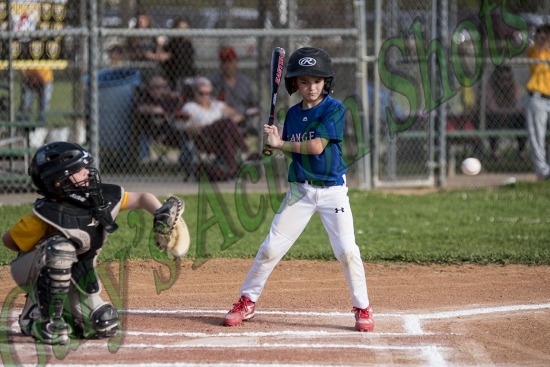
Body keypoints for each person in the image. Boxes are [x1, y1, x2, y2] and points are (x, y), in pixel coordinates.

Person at [222, 47, 374, 332]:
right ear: (295, 84)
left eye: (316, 81)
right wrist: (272, 145)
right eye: (304, 82)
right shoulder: (292, 114)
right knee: (270, 248)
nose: (311, 87)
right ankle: (247, 301)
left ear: (326, 82)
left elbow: (316, 147)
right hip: (300, 192)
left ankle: (362, 307)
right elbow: (294, 152)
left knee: (347, 251)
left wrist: (281, 145)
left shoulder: (334, 109)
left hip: (332, 192)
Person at [1, 141, 184, 345]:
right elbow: (9, 241)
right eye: (80, 170)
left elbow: (141, 198)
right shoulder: (46, 214)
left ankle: (64, 314)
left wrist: (160, 213)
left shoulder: (98, 198)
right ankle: (42, 318)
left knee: (103, 323)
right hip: (35, 271)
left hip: (79, 274)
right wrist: (43, 251)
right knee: (60, 249)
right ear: (58, 181)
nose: (88, 172)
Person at [181, 76, 249, 180]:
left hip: (221, 136)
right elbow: (188, 128)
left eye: (207, 93)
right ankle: (245, 151)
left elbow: (238, 115)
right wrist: (216, 124)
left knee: (227, 130)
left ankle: (231, 169)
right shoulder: (190, 106)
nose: (205, 96)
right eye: (201, 93)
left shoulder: (216, 105)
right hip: (204, 136)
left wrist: (225, 124)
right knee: (226, 124)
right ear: (194, 92)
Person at [211, 46, 260, 138]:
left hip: (244, 122)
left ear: (236, 62)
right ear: (220, 65)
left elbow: (255, 106)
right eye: (224, 62)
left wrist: (243, 116)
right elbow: (210, 105)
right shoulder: (215, 83)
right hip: (223, 124)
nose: (228, 65)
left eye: (230, 61)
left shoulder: (245, 82)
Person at [525, 23, 550, 180]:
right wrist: (541, 44)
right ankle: (543, 172)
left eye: (546, 35)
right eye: (540, 35)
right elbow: (536, 62)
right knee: (537, 138)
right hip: (538, 99)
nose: (543, 38)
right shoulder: (535, 51)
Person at [486, 65, 527, 160]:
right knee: (492, 119)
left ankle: (521, 151)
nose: (504, 82)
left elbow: (519, 107)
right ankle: (495, 152)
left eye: (507, 78)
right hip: (496, 118)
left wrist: (507, 111)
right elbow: (492, 108)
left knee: (521, 119)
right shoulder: (490, 86)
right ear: (496, 78)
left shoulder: (514, 86)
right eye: (501, 79)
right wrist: (508, 110)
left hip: (510, 118)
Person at [126, 11, 167, 80]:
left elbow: (160, 56)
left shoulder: (153, 34)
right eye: (139, 20)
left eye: (143, 20)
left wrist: (158, 47)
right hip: (137, 65)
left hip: (151, 65)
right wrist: (140, 53)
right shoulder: (133, 35)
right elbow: (129, 53)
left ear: (148, 21)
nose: (141, 22)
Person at [19, 67, 54, 147]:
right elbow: (20, 64)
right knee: (25, 106)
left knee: (44, 107)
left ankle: (40, 133)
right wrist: (26, 75)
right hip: (29, 78)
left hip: (46, 79)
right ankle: (24, 133)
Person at [159, 19, 196, 92]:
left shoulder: (188, 44)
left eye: (185, 28)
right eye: (180, 28)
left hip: (187, 73)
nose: (183, 31)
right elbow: (164, 57)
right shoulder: (172, 43)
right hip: (174, 75)